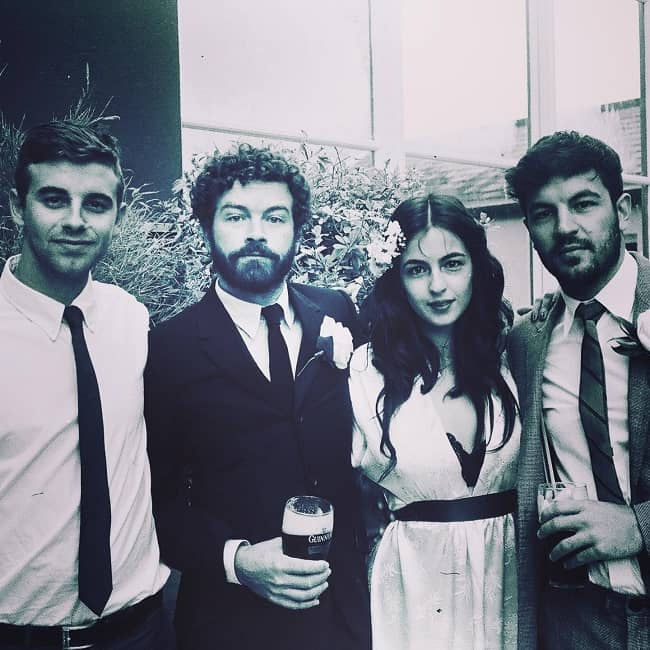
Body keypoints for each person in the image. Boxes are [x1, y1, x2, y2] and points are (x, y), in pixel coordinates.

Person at [144, 144, 371, 650]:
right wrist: (237, 560)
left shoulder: (337, 313)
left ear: (297, 230)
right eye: (235, 216)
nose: (255, 233)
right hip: (230, 623)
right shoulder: (168, 348)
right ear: (207, 228)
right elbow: (153, 503)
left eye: (274, 217)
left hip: (342, 613)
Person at [0, 121, 174, 649]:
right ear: (17, 207)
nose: (75, 221)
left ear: (118, 215)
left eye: (95, 204)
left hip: (139, 630)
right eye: (54, 200)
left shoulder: (131, 318)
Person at [349, 194, 520, 649]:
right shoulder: (365, 372)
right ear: (396, 279)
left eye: (452, 264)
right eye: (417, 269)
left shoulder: (511, 354)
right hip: (414, 585)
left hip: (511, 579)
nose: (438, 285)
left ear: (476, 267)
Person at [506, 130, 650, 649]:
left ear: (623, 210)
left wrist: (639, 525)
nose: (565, 226)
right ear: (529, 229)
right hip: (575, 625)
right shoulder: (526, 341)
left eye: (583, 204)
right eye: (544, 214)